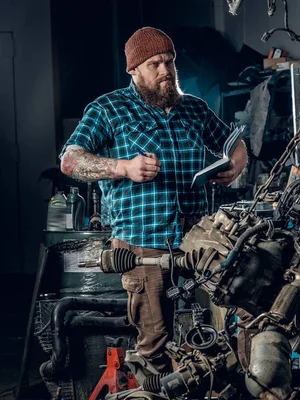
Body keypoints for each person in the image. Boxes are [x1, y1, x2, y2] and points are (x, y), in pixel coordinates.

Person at [59, 27, 248, 372]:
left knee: (220, 332)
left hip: (199, 242)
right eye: (154, 64)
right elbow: (69, 160)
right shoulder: (109, 109)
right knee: (155, 344)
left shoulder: (194, 109)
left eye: (170, 62)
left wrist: (236, 163)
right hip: (144, 246)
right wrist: (121, 167)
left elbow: (235, 141)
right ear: (133, 70)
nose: (165, 71)